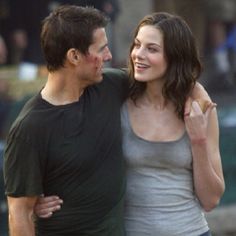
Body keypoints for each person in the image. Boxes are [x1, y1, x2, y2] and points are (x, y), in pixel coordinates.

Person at [34, 12, 225, 236]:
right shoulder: (117, 100)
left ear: (175, 56)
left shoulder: (198, 110)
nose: (138, 55)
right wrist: (37, 196)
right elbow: (72, 149)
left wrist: (199, 140)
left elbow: (211, 200)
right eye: (137, 45)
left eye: (151, 49)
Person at [3, 5, 129, 235]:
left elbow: (168, 78)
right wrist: (33, 205)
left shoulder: (110, 85)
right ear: (74, 56)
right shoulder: (29, 128)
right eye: (101, 49)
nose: (109, 56)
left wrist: (200, 97)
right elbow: (19, 213)